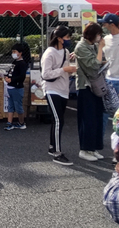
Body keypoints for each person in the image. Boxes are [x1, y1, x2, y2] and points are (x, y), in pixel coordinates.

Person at [42, 25, 77, 165]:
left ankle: (52, 146)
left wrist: (70, 69)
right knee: (58, 120)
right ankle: (57, 152)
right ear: (59, 38)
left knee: (57, 120)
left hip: (63, 90)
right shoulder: (49, 53)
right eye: (67, 37)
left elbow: (66, 71)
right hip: (51, 89)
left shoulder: (66, 51)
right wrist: (63, 69)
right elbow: (45, 74)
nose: (69, 39)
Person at [74, 22, 107, 162]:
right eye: (99, 34)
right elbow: (93, 66)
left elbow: (99, 62)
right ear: (93, 34)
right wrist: (100, 48)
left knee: (97, 118)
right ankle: (85, 149)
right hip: (85, 87)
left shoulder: (91, 45)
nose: (101, 37)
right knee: (87, 119)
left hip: (95, 86)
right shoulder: (81, 47)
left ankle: (93, 149)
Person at [4, 42, 30, 131]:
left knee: (18, 106)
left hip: (17, 88)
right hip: (10, 87)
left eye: (15, 51)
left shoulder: (22, 63)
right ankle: (9, 123)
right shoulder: (14, 62)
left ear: (20, 53)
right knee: (10, 106)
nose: (13, 53)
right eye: (12, 52)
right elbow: (10, 72)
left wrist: (11, 80)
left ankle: (21, 123)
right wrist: (6, 77)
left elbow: (22, 76)